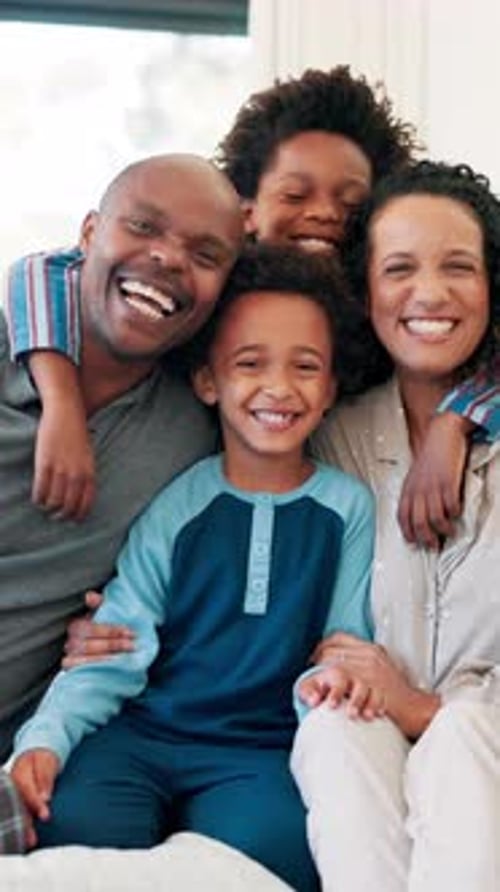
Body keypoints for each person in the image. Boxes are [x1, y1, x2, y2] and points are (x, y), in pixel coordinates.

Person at [10, 243, 374, 892]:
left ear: (332, 388)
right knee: (69, 818)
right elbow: (116, 646)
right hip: (144, 732)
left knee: (282, 852)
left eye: (306, 366)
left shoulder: (348, 509)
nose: (279, 387)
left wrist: (336, 680)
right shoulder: (180, 501)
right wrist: (46, 740)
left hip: (260, 748)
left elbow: (345, 642)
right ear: (208, 382)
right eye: (250, 364)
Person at [291, 160, 500, 892]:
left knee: (460, 736)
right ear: (365, 288)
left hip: (488, 740)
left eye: (459, 268)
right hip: (375, 734)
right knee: (329, 728)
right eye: (400, 267)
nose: (431, 293)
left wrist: (429, 708)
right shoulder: (327, 434)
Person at [0, 151, 244, 766]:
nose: (166, 256)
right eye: (142, 226)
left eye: (205, 254)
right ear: (87, 234)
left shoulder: (193, 435)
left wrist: (120, 623)